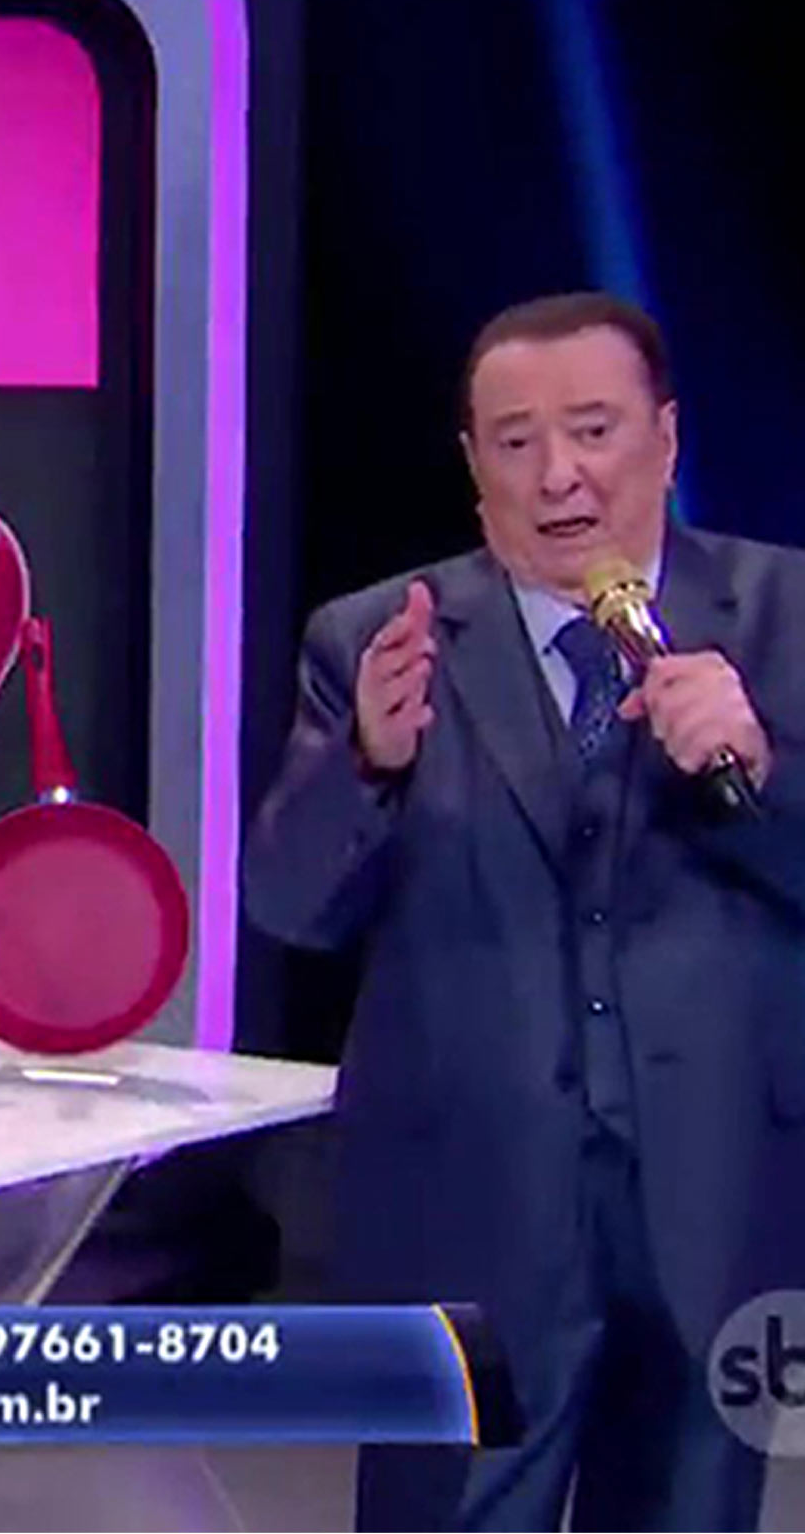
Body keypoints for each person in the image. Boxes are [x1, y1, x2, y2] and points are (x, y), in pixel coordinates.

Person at [243, 292, 805, 1531]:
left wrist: (764, 771)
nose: (558, 476)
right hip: (464, 1216)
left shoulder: (787, 620)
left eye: (592, 430)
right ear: (472, 463)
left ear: (665, 436)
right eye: (515, 441)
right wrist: (368, 766)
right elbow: (287, 904)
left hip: (718, 1206)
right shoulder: (378, 640)